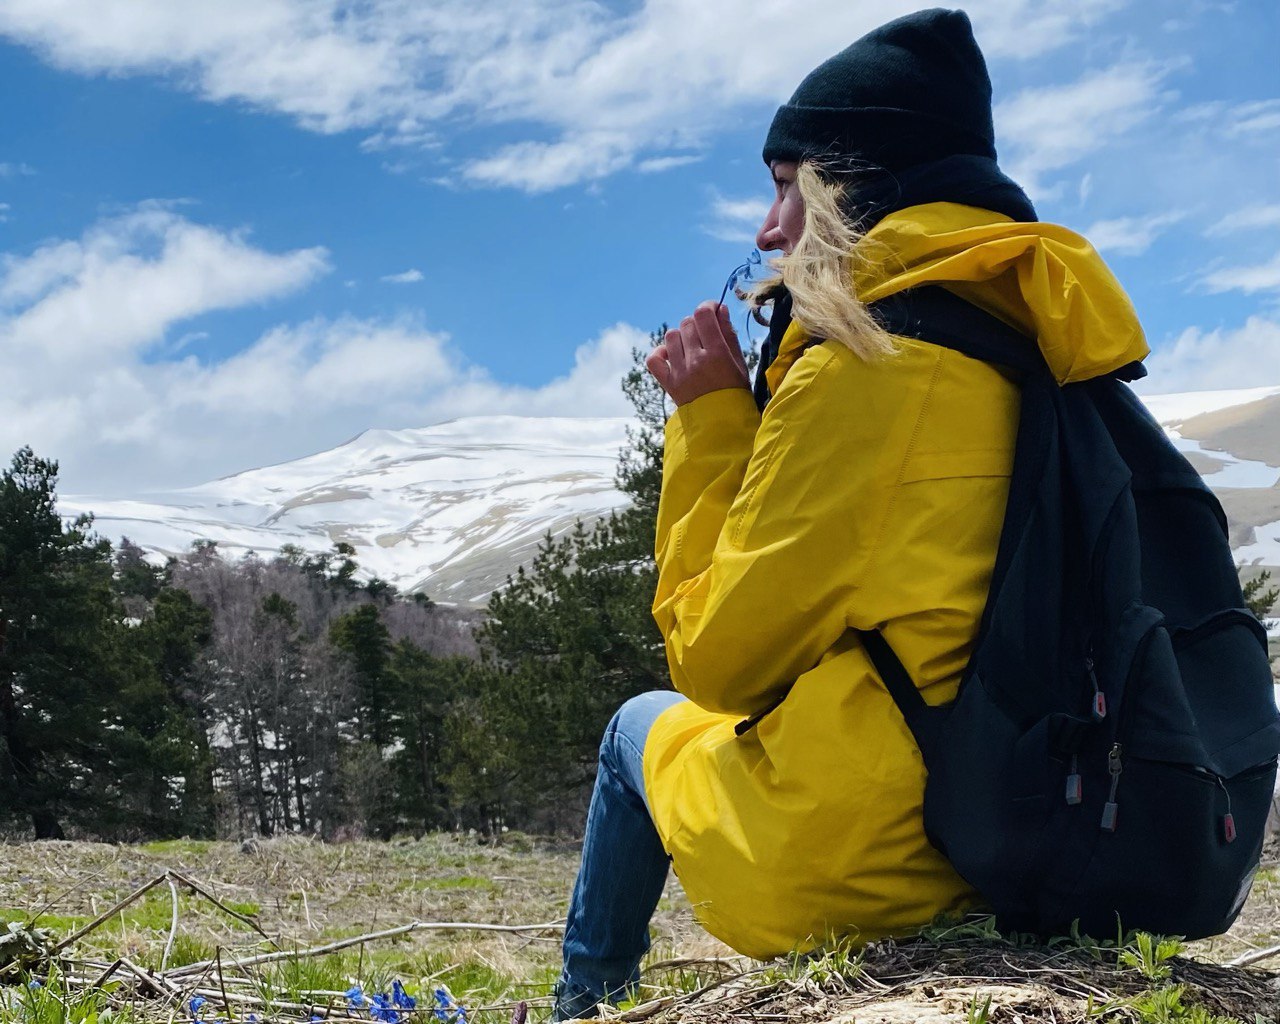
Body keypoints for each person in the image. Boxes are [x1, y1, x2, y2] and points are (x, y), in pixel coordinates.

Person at [553, 8, 1150, 1020]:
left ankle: (582, 1005)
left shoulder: (865, 368)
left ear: (859, 185)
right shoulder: (1033, 344)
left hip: (859, 858)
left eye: (788, 186)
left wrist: (703, 419)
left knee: (634, 728)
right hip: (1025, 840)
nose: (766, 228)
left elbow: (718, 659)